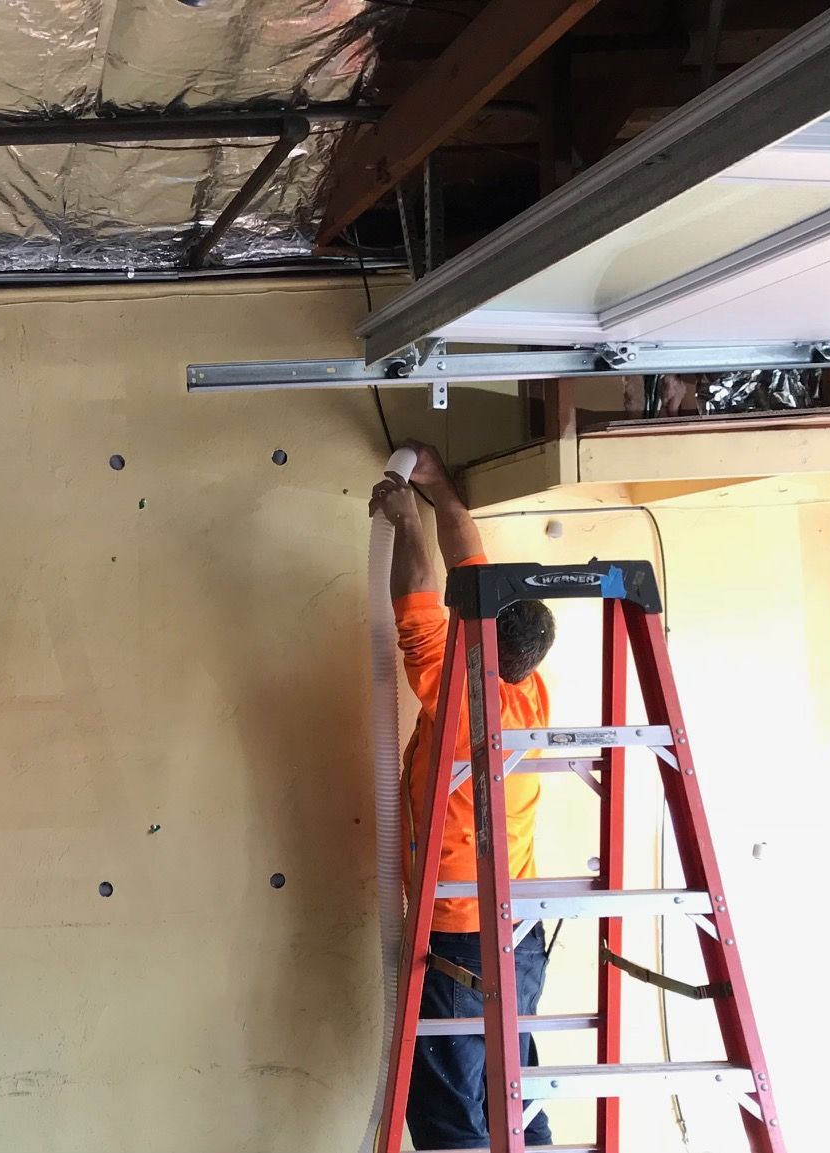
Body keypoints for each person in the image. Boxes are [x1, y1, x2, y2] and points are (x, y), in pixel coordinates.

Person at [369, 443, 558, 1150]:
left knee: (454, 1116)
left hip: (458, 934)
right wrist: (439, 487)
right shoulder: (527, 688)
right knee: (513, 1093)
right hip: (517, 925)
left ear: (474, 642)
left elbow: (415, 599)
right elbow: (466, 575)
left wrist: (403, 518)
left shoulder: (458, 704)